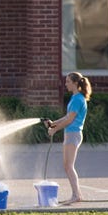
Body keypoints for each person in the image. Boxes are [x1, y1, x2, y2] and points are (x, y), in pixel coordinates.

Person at [46, 72, 92, 205]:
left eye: (68, 82)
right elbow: (67, 117)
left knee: (68, 166)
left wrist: (55, 129)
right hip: (70, 134)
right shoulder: (75, 98)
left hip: (73, 134)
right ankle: (76, 195)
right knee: (67, 166)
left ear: (75, 83)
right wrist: (53, 123)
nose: (65, 84)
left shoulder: (78, 99)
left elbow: (70, 120)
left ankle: (76, 195)